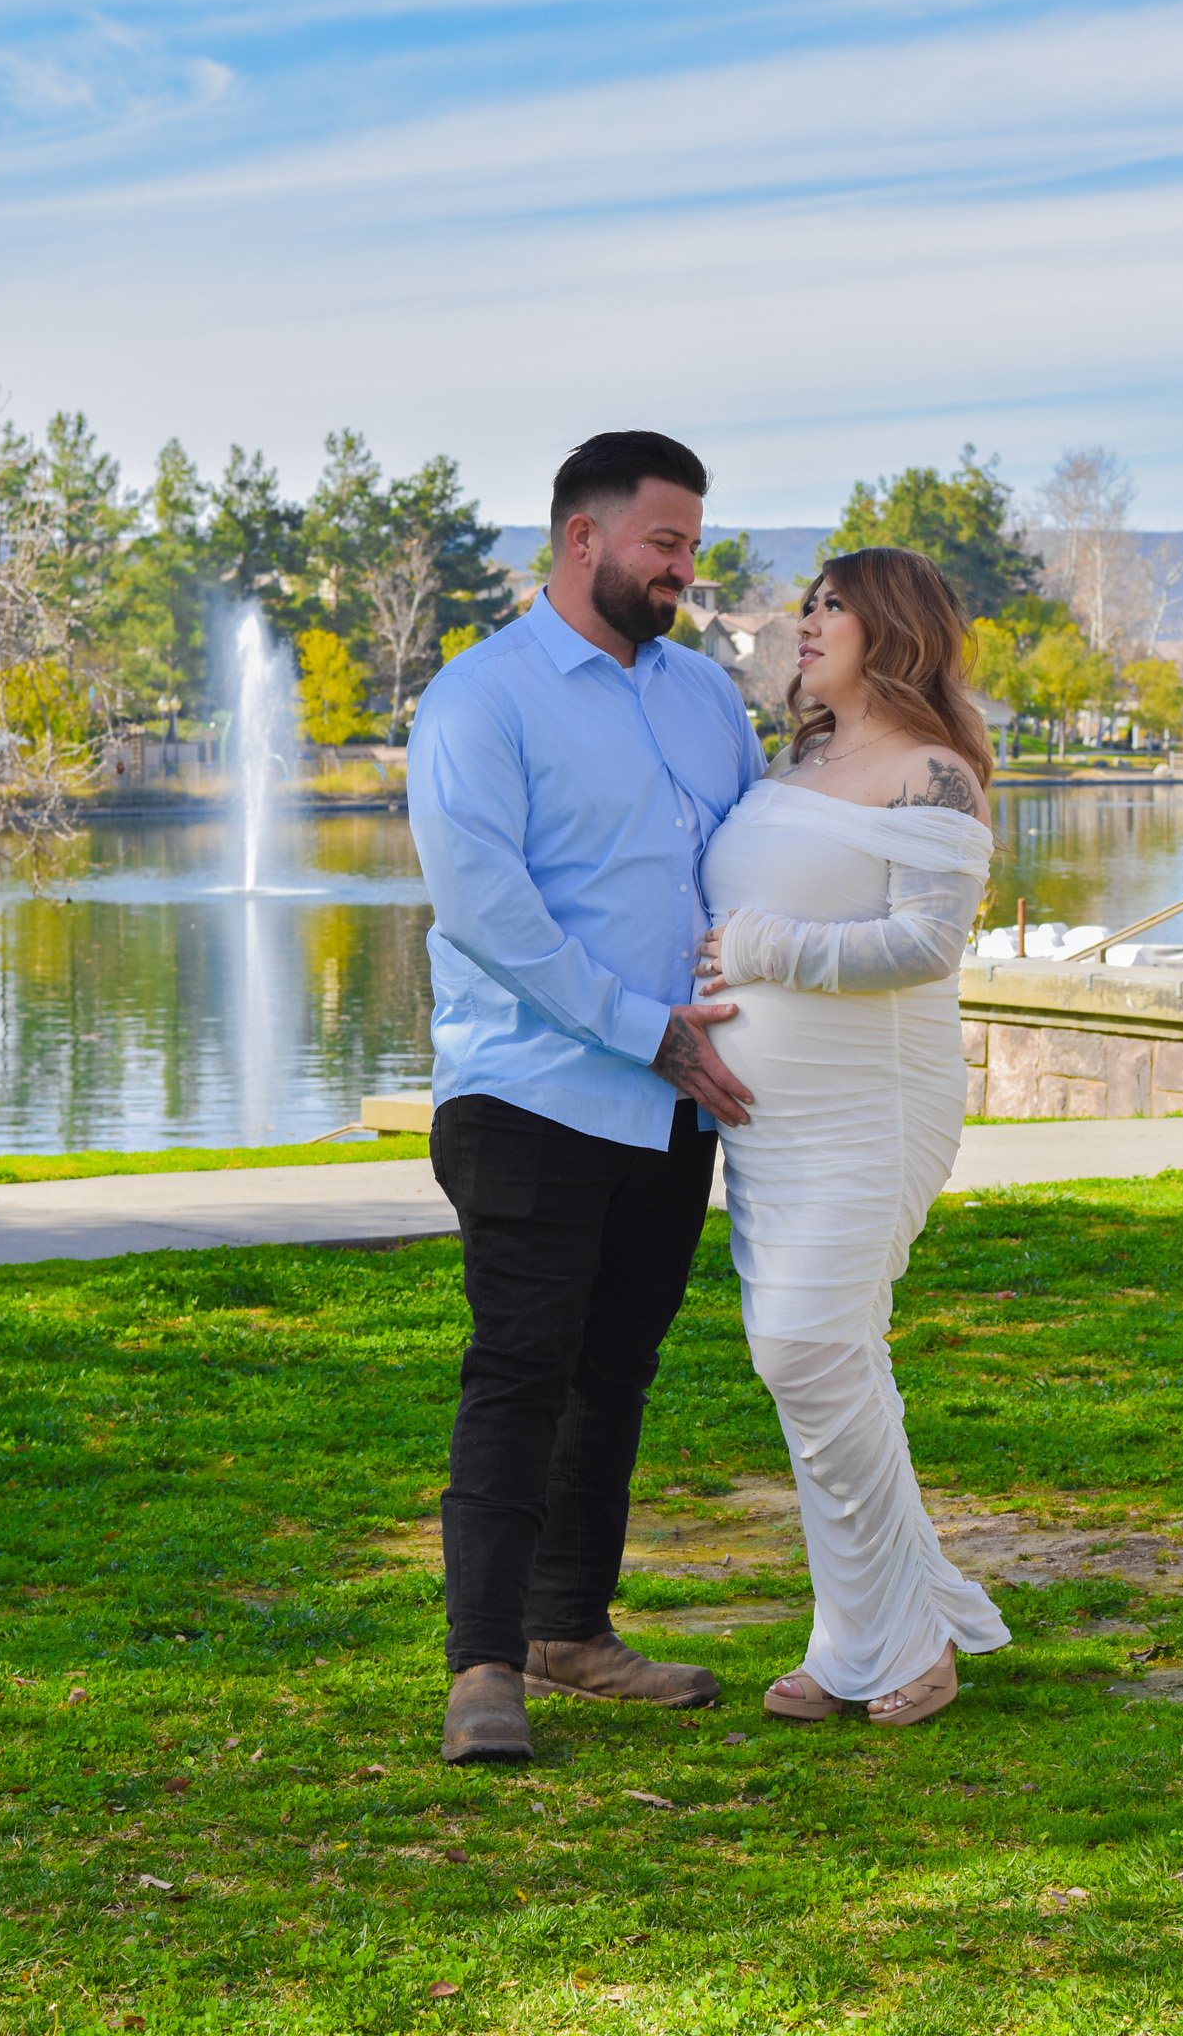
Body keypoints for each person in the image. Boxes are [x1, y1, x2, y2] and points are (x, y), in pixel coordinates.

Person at [406, 430, 764, 1764]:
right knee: (519, 1372)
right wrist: (642, 1030)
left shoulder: (706, 695)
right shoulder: (479, 700)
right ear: (582, 537)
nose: (683, 570)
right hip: (529, 1093)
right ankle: (483, 1669)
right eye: (665, 543)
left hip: (672, 1104)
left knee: (613, 1372)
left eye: (692, 547)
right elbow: (487, 909)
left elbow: (744, 866)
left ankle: (568, 1628)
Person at [694, 547, 1012, 1726]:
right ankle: (857, 1638)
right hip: (771, 1125)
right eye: (809, 603)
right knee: (823, 1366)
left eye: (834, 605)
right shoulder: (800, 760)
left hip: (871, 1108)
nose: (807, 621)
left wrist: (767, 949)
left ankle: (916, 1632)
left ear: (893, 627)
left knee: (805, 1347)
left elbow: (926, 944)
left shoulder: (934, 774)